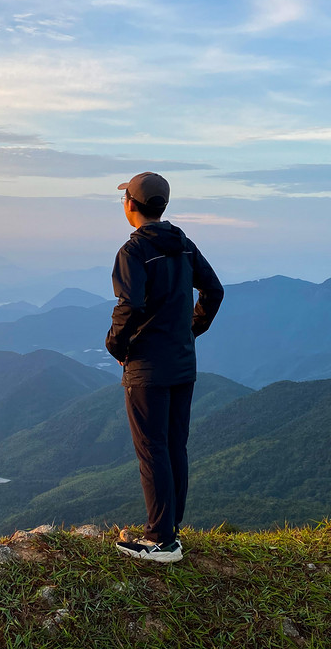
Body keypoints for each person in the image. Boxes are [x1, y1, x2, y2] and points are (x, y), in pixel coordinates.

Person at [106, 171, 224, 563]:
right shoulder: (184, 245)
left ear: (131, 206)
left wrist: (116, 345)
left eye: (124, 199)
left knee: (152, 449)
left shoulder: (134, 252)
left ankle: (161, 540)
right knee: (174, 446)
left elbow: (131, 305)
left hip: (147, 367)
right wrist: (192, 329)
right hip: (182, 362)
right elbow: (214, 290)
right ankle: (170, 530)